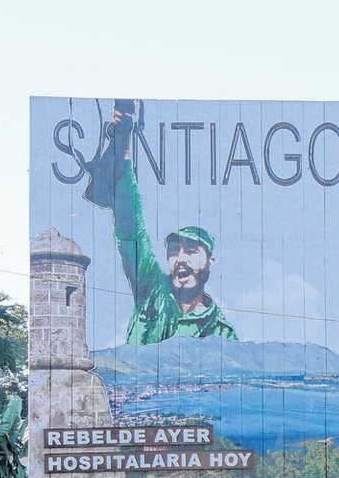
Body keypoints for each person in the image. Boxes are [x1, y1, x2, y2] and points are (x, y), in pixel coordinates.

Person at [84, 101, 238, 345]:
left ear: (210, 262)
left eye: (191, 251)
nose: (180, 259)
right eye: (174, 251)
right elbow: (131, 230)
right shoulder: (151, 287)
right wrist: (123, 143)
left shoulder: (221, 332)